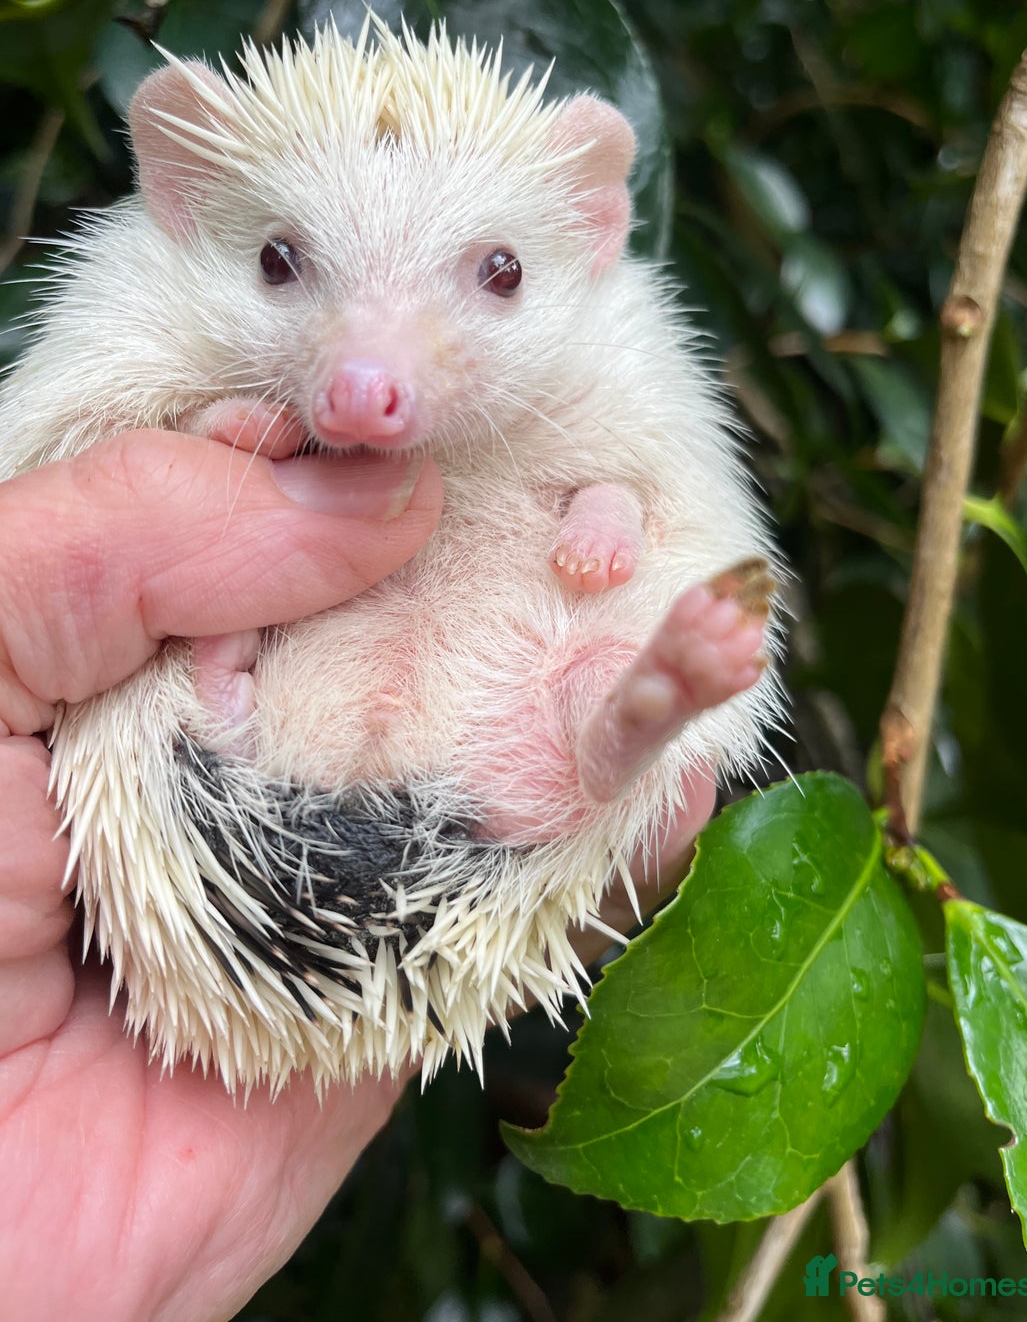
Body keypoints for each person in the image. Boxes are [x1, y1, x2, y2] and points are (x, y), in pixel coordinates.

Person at [0, 432, 713, 1321]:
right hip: (345, 767)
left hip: (321, 732)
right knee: (573, 736)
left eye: (496, 275)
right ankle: (596, 738)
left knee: (582, 706)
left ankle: (594, 732)